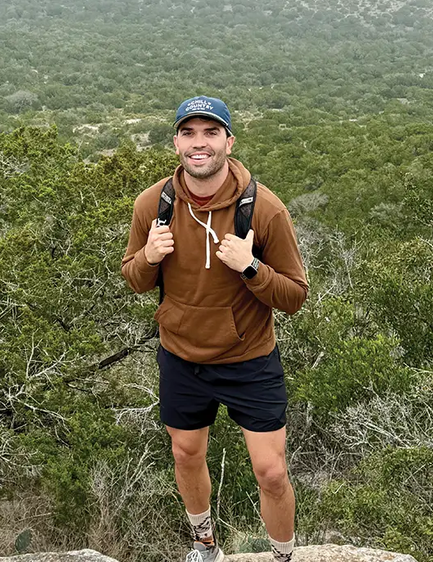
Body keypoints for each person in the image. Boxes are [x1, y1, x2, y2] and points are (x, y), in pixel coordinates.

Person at [121, 95, 308, 562]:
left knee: (271, 472)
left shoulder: (264, 210)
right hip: (182, 356)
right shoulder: (153, 204)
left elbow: (294, 296)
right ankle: (205, 546)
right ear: (176, 143)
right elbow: (135, 280)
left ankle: (283, 557)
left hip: (249, 359)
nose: (198, 143)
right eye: (188, 133)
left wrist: (251, 268)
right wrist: (149, 257)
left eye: (210, 132)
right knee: (186, 455)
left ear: (229, 141)